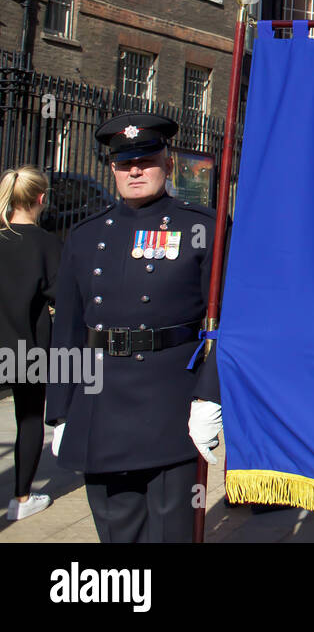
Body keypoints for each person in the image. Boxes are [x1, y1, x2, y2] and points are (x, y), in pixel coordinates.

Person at [46, 113, 222, 542]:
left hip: (170, 401)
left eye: (145, 160)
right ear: (112, 167)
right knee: (116, 532)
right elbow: (67, 330)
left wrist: (209, 396)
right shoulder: (85, 236)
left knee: (171, 531)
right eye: (125, 163)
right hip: (100, 404)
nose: (135, 171)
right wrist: (61, 410)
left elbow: (229, 321)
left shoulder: (201, 228)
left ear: (166, 162)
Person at [0, 166, 61, 520]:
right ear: (41, 198)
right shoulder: (47, 244)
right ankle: (21, 499)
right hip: (28, 346)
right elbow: (61, 294)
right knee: (28, 416)